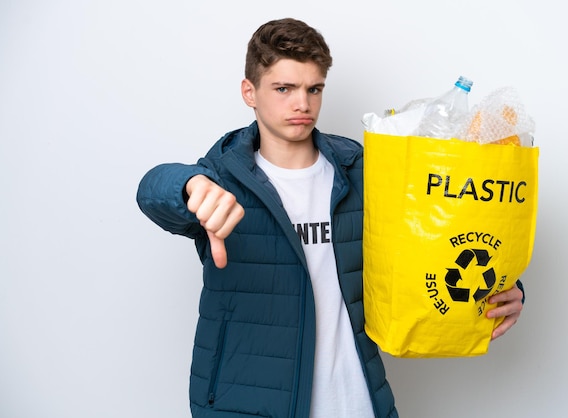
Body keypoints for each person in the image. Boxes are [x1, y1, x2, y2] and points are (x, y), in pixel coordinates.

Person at [136, 17, 524, 418]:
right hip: (250, 405)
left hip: (358, 401)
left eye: (313, 89)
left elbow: (433, 238)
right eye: (283, 88)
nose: (302, 104)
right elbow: (152, 191)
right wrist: (188, 186)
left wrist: (501, 285)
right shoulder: (221, 178)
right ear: (249, 92)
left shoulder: (360, 169)